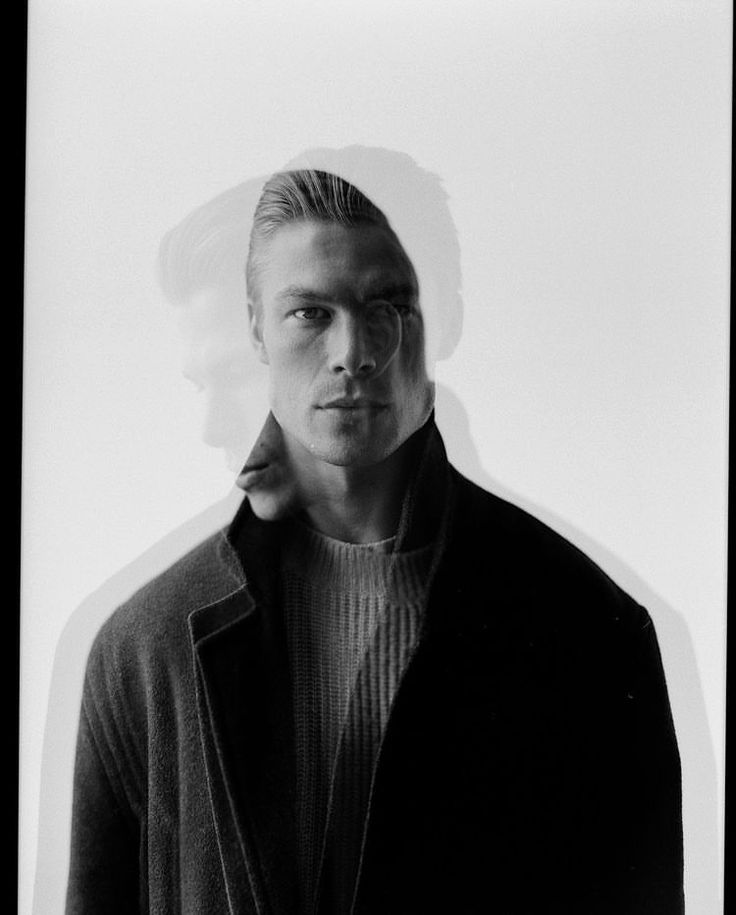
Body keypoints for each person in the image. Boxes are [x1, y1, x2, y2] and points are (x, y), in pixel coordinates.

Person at [66, 163, 684, 914]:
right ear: (256, 326)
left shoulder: (591, 631)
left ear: (437, 318)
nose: (351, 352)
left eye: (385, 305)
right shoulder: (142, 650)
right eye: (309, 313)